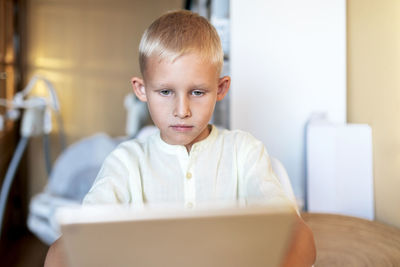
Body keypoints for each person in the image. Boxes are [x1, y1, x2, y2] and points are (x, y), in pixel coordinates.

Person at [45, 10, 316, 267]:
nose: (182, 110)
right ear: (142, 90)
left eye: (197, 92)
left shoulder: (243, 153)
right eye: (165, 92)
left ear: (220, 89)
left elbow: (299, 237)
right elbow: (67, 249)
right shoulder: (126, 163)